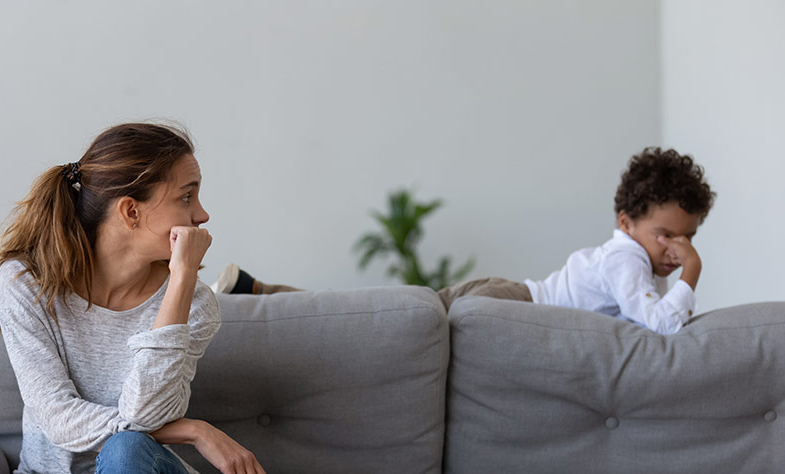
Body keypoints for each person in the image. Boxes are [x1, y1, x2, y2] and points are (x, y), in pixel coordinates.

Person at [0, 122, 267, 474]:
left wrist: (183, 281)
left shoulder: (196, 304)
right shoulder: (27, 284)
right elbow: (58, 420)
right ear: (131, 211)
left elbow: (145, 416)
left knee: (128, 450)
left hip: (157, 470)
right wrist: (191, 430)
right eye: (187, 196)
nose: (203, 215)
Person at [215, 147, 716, 335]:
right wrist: (691, 272)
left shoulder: (631, 259)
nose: (676, 248)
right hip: (508, 302)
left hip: (504, 294)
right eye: (665, 235)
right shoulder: (627, 261)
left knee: (381, 318)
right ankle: (258, 300)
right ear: (626, 223)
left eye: (688, 237)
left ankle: (258, 293)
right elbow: (662, 328)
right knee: (383, 322)